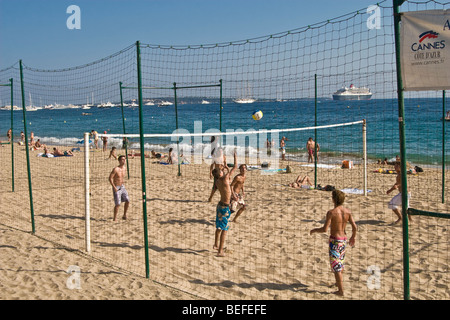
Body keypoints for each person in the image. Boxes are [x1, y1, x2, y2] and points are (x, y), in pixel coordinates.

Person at [310, 190, 357, 296]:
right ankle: (337, 283)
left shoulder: (331, 212)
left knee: (336, 267)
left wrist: (314, 230)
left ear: (333, 199)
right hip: (343, 240)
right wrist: (353, 237)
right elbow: (355, 226)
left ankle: (340, 291)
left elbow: (325, 229)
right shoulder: (347, 211)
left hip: (335, 240)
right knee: (340, 262)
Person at [213, 151, 237, 257]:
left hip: (219, 206)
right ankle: (220, 251)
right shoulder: (226, 179)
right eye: (221, 171)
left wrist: (224, 168)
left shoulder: (217, 182)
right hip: (225, 207)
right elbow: (235, 167)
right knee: (224, 230)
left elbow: (221, 173)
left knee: (218, 227)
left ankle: (215, 244)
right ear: (221, 174)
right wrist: (235, 156)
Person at [109, 155, 130, 221]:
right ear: (119, 161)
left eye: (125, 159)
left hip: (122, 186)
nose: (124, 161)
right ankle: (115, 218)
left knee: (127, 200)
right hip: (116, 187)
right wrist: (114, 187)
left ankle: (124, 215)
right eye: (122, 160)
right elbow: (110, 178)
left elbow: (121, 177)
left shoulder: (124, 168)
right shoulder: (116, 169)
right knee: (118, 204)